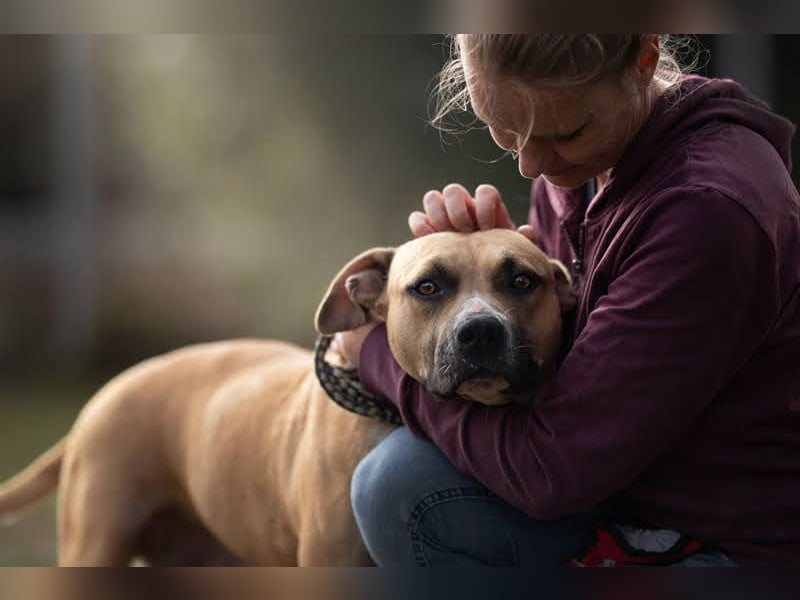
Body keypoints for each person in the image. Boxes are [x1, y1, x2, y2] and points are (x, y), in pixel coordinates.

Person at [336, 34, 800, 566]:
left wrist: (376, 354)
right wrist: (502, 279)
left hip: (731, 541)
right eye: (505, 130)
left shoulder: (708, 212)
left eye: (564, 133)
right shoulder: (585, 165)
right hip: (621, 493)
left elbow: (554, 470)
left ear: (644, 63)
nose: (530, 165)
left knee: (401, 490)